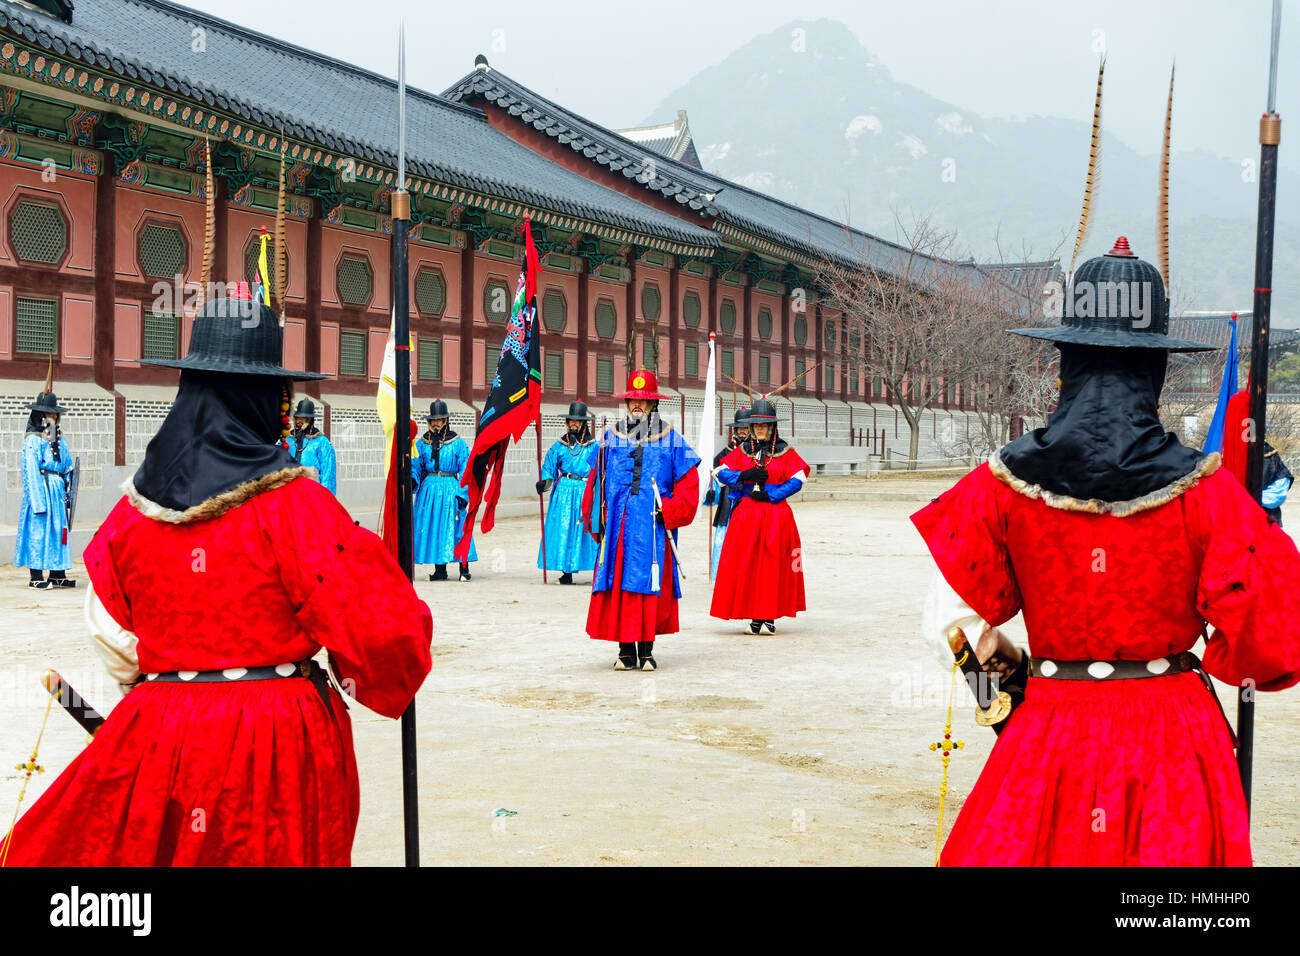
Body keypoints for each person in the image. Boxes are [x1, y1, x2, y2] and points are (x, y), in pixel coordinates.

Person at [3, 295, 432, 866]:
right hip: (276, 740)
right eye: (280, 399)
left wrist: (168, 694)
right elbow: (385, 638)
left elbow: (110, 634)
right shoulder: (298, 506)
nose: (284, 413)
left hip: (158, 732)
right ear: (261, 400)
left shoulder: (130, 515)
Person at [912, 238, 1300, 866]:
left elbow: (952, 627)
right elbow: (1270, 639)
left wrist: (1003, 702)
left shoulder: (997, 485)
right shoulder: (1209, 493)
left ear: (1066, 358)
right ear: (1157, 370)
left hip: (1048, 728)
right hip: (1171, 733)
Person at [582, 370, 701, 670]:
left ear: (653, 405)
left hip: (652, 527)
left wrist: (670, 510)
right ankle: (625, 651)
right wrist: (596, 517)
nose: (637, 405)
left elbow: (689, 484)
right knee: (619, 583)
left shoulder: (671, 438)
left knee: (648, 584)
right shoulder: (610, 437)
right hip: (619, 528)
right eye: (633, 399)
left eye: (643, 401)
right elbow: (595, 480)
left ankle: (646, 650)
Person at [709, 398, 810, 634]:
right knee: (748, 567)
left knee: (773, 566)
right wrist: (743, 476)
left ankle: (770, 617)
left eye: (764, 425)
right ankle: (754, 617)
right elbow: (719, 472)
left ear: (773, 426)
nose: (760, 428)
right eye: (756, 425)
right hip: (746, 515)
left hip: (776, 516)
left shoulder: (785, 451)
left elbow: (798, 479)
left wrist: (773, 495)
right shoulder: (743, 451)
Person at [14, 384, 75, 589]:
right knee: (39, 530)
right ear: (39, 415)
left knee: (59, 531)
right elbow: (31, 470)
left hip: (57, 492)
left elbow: (65, 466)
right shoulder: (33, 440)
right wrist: (37, 500)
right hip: (42, 489)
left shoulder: (59, 439)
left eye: (55, 414)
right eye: (49, 413)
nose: (53, 417)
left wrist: (68, 487)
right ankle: (36, 576)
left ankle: (57, 573)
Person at [413, 399, 476, 582]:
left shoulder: (457, 443)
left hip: (450, 487)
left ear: (446, 420)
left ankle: (464, 568)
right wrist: (412, 478)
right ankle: (440, 570)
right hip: (429, 490)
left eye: (439, 419)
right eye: (432, 420)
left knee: (457, 526)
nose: (435, 423)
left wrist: (463, 494)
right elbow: (416, 466)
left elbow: (466, 468)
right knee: (434, 527)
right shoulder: (422, 443)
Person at [537, 401, 599, 583]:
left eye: (577, 421)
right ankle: (566, 572)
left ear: (584, 423)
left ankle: (596, 570)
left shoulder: (594, 446)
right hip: (563, 492)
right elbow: (549, 466)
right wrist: (544, 482)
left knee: (585, 530)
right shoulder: (559, 445)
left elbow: (600, 470)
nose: (573, 424)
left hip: (584, 492)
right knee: (563, 530)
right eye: (571, 420)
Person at [704, 406, 750, 579]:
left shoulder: (757, 453)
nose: (743, 431)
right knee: (723, 542)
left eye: (746, 428)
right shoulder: (723, 455)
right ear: (735, 430)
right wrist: (711, 494)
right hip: (727, 505)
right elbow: (715, 483)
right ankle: (723, 576)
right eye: (740, 428)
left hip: (747, 503)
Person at [290, 397, 337, 494]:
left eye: (303, 418)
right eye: (298, 417)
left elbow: (328, 472)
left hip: (312, 492)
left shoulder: (321, 442)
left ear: (310, 420)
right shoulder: (288, 439)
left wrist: (326, 497)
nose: (299, 420)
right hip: (290, 492)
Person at [1261, 442, 1293, 526]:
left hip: (1265, 518)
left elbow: (1279, 491)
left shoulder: (1269, 455)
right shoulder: (1225, 453)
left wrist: (1253, 497)